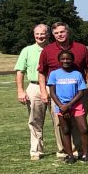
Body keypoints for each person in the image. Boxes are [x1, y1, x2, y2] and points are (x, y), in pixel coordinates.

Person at [39, 22, 88, 159]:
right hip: (58, 96)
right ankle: (64, 151)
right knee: (60, 125)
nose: (60, 35)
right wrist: (43, 91)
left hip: (78, 94)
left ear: (68, 32)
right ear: (53, 35)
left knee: (79, 124)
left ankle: (79, 150)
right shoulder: (48, 50)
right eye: (57, 33)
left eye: (62, 32)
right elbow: (41, 72)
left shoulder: (81, 48)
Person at [47, 50, 88, 163]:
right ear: (59, 60)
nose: (66, 61)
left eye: (68, 59)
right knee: (65, 130)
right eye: (63, 59)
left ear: (72, 60)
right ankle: (70, 155)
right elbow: (52, 92)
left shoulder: (77, 74)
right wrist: (62, 106)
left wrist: (69, 105)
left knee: (84, 129)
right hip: (61, 106)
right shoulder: (54, 74)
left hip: (76, 105)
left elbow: (81, 92)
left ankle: (85, 154)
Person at [15, 23, 50, 160]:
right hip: (34, 87)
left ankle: (63, 149)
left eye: (43, 34)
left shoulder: (55, 48)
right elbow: (20, 71)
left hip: (53, 86)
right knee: (35, 120)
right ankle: (36, 150)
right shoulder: (27, 50)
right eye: (37, 34)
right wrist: (20, 90)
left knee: (60, 119)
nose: (40, 36)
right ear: (34, 35)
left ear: (48, 35)